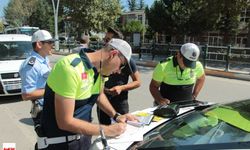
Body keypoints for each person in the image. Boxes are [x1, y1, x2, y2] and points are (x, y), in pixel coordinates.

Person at [39, 38, 137, 150]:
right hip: (59, 144)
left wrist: (117, 116)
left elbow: (99, 96)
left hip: (83, 140)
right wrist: (108, 130)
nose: (119, 71)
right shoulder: (70, 69)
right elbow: (65, 122)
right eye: (121, 65)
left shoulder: (100, 72)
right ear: (113, 54)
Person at [97, 27, 141, 125]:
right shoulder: (100, 59)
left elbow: (138, 82)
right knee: (105, 128)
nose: (105, 43)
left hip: (120, 101)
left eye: (108, 40)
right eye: (104, 39)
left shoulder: (127, 61)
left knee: (122, 129)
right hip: (102, 99)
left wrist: (121, 87)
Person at [19, 30, 55, 135]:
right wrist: (54, 90)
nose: (52, 45)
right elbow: (26, 94)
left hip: (50, 107)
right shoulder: (31, 65)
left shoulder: (45, 60)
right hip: (43, 111)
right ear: (39, 44)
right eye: (50, 42)